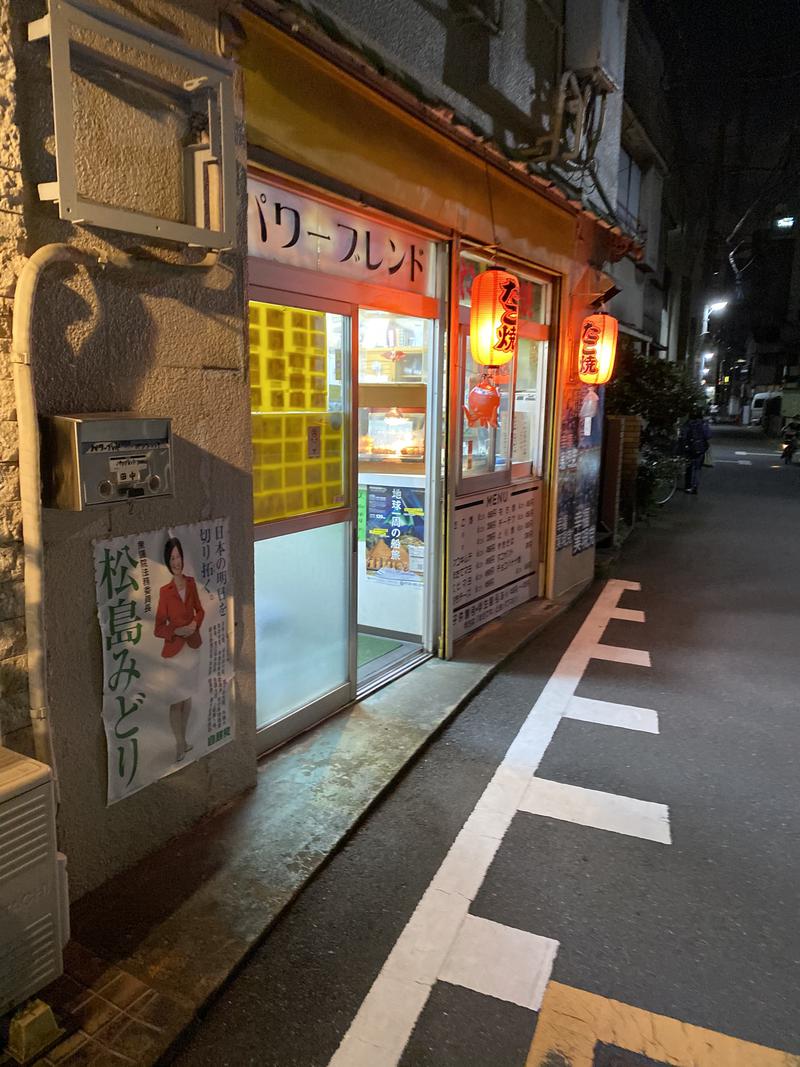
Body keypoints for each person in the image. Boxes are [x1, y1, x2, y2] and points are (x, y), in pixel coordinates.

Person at [154, 537, 205, 762]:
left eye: (179, 557)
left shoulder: (192, 584)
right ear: (167, 561)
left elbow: (200, 610)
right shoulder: (165, 591)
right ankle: (179, 743)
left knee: (188, 697)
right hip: (174, 651)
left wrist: (195, 624)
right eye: (172, 558)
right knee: (176, 699)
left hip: (192, 647)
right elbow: (158, 627)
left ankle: (184, 740)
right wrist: (176, 631)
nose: (177, 562)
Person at [681, 406, 711, 494]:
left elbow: (683, 435)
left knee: (689, 468)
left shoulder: (687, 424)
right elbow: (708, 435)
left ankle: (687, 487)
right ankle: (695, 487)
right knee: (697, 468)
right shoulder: (703, 424)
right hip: (700, 448)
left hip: (689, 448)